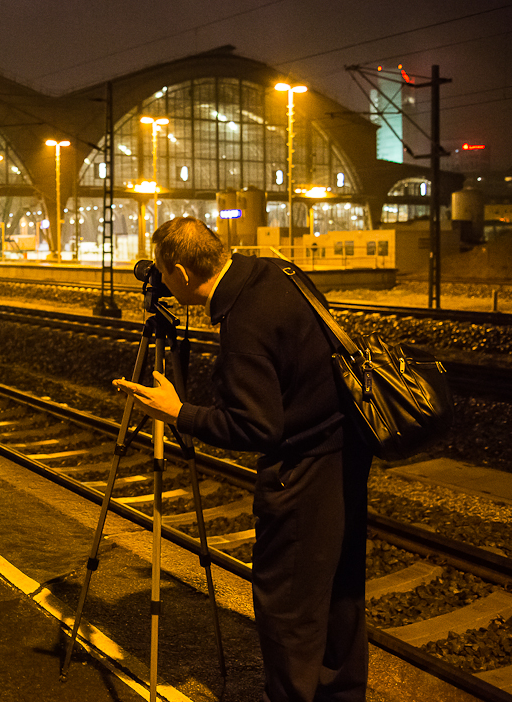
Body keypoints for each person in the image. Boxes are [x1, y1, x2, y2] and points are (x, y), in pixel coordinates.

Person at [113, 217, 372, 702]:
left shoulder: (245, 321)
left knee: (288, 610)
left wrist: (178, 413)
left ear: (184, 275)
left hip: (302, 472)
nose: (161, 283)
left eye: (165, 274)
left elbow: (257, 426)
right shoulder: (278, 272)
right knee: (339, 596)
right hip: (345, 455)